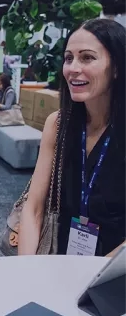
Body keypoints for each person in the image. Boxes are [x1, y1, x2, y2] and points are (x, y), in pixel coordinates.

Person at [18, 18, 126, 257]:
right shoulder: (58, 125)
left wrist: (96, 275)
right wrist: (25, 269)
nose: (73, 68)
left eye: (87, 58)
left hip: (115, 270)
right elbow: (33, 208)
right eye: (69, 58)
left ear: (117, 67)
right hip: (62, 262)